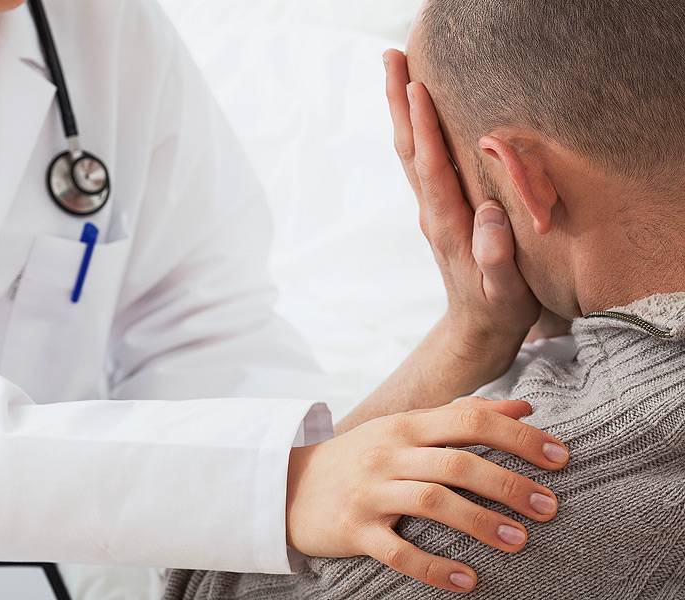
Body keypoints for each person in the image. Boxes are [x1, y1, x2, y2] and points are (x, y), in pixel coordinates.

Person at [0, 0, 568, 592]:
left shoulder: (104, 24)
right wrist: (276, 488)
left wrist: (459, 347)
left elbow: (203, 324)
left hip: (83, 553)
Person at [162, 0, 685, 598]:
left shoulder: (497, 506)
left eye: (449, 170)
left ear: (526, 181)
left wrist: (466, 336)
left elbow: (207, 581)